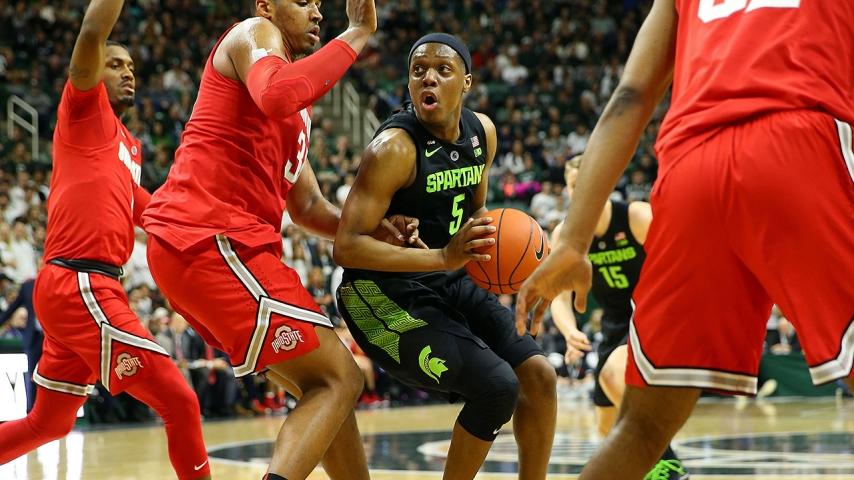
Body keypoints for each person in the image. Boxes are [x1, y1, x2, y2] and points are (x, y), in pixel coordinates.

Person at [515, 0, 854, 478]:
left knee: (640, 429)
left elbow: (632, 94)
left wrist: (572, 239)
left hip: (689, 167)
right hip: (794, 138)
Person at [141, 1, 416, 479]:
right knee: (340, 377)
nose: (317, 12)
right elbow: (275, 93)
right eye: (303, 1)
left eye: (319, 4)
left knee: (328, 387)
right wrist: (356, 32)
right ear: (267, 5)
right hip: (211, 236)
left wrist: (373, 228)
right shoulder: (255, 33)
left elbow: (306, 207)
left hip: (207, 247)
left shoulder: (295, 107)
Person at [0, 2, 210, 479]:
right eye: (115, 65)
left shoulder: (129, 145)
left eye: (131, 66)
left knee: (49, 422)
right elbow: (93, 31)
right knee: (180, 400)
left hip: (84, 287)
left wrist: (212, 228)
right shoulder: (83, 107)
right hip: (80, 283)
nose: (127, 73)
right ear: (95, 71)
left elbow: (151, 212)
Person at [334, 33, 558, 480]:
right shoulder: (394, 149)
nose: (428, 78)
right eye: (418, 71)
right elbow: (346, 246)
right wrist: (441, 256)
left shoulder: (482, 132)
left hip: (448, 277)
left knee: (540, 376)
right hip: (379, 294)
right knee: (498, 387)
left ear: (467, 82)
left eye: (442, 70)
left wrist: (521, 267)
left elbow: (478, 218)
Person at [552, 155, 687, 479]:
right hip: (614, 326)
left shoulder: (636, 216)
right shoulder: (566, 236)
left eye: (587, 181)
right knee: (607, 428)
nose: (580, 190)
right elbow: (559, 297)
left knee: (615, 375)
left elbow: (681, 260)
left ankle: (670, 467)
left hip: (652, 317)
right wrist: (570, 331)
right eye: (573, 185)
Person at [0, 278, 40, 412]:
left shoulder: (56, 283)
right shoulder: (27, 285)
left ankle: (55, 413)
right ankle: (32, 411)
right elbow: (10, 311)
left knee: (55, 377)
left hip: (54, 338)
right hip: (33, 338)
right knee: (31, 377)